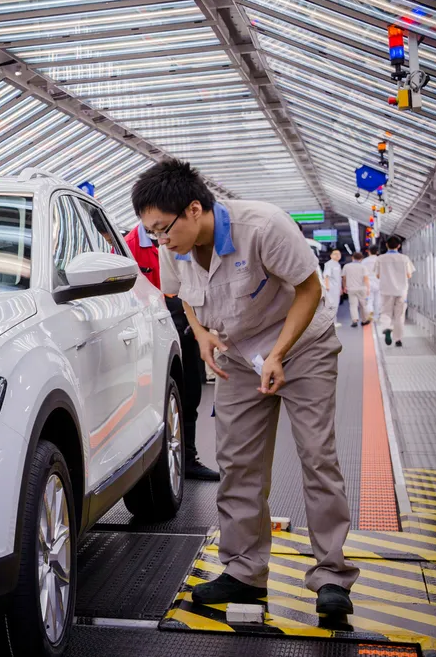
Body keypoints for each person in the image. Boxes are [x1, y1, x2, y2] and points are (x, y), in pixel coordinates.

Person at [132, 160, 358, 615]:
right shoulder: (172, 247)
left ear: (194, 209)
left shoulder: (264, 227)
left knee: (317, 456)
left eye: (162, 229)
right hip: (237, 355)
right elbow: (179, 296)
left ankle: (331, 576)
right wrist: (199, 333)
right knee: (237, 462)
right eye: (150, 232)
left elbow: (309, 290)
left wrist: (278, 354)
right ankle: (244, 572)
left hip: (303, 347)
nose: (159, 239)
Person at [125, 224, 220, 481]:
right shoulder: (130, 245)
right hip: (149, 331)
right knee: (154, 396)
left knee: (190, 393)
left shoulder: (184, 233)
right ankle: (152, 465)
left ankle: (187, 457)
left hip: (185, 320)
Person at [377, 236, 415, 347]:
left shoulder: (380, 259)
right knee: (400, 315)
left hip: (386, 290)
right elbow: (409, 274)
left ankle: (386, 328)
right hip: (402, 290)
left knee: (385, 312)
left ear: (387, 245)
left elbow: (378, 275)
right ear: (399, 246)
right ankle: (398, 339)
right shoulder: (405, 258)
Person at [342, 252, 371, 328]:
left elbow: (344, 278)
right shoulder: (363, 267)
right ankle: (364, 320)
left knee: (353, 305)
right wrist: (368, 288)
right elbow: (366, 278)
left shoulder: (346, 266)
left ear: (352, 258)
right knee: (363, 305)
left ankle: (354, 320)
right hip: (362, 288)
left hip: (351, 288)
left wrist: (344, 287)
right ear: (361, 259)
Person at [322, 250, 342, 325]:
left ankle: (333, 321)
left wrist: (340, 288)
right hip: (331, 288)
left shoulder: (337, 264)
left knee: (335, 304)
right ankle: (331, 322)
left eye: (339, 254)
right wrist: (327, 286)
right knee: (331, 305)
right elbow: (326, 275)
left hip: (336, 287)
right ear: (331, 255)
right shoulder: (329, 264)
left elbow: (338, 278)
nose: (337, 255)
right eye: (335, 254)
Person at [363, 247, 381, 321]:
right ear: (377, 252)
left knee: (369, 299)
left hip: (368, 282)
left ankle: (370, 312)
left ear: (369, 252)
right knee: (378, 300)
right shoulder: (380, 260)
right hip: (379, 281)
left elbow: (362, 273)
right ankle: (377, 316)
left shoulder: (364, 261)